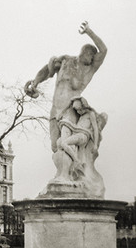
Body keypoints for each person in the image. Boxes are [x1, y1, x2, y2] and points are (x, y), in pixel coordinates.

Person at [24, 21, 107, 153]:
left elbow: (104, 50)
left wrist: (89, 31)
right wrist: (35, 82)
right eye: (91, 55)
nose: (93, 59)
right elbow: (47, 70)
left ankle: (77, 169)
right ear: (85, 52)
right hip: (55, 109)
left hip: (70, 110)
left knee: (66, 145)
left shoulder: (89, 70)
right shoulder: (66, 61)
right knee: (55, 148)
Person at [54, 96, 107, 182]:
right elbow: (70, 103)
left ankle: (76, 161)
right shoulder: (81, 116)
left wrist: (95, 145)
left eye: (79, 109)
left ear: (84, 106)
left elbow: (95, 129)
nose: (78, 112)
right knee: (60, 143)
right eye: (76, 110)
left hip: (83, 136)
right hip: (77, 134)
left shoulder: (91, 114)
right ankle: (69, 170)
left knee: (64, 143)